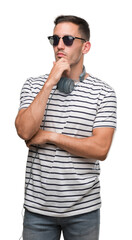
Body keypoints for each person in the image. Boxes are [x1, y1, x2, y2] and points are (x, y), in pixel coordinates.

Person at [15, 15, 117, 240]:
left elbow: (100, 149)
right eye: (55, 39)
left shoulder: (104, 93)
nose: (60, 45)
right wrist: (50, 82)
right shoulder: (33, 85)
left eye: (68, 39)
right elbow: (24, 131)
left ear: (85, 46)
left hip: (84, 211)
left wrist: (49, 136)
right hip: (37, 210)